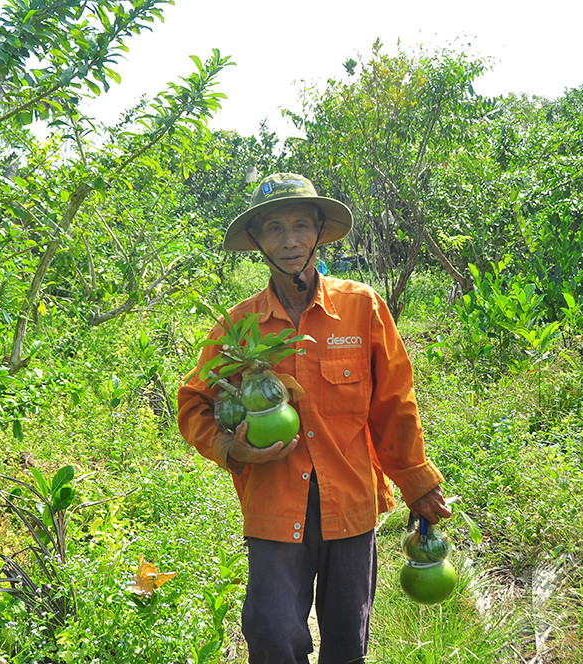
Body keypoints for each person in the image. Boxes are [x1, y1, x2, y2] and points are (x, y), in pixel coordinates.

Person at [177, 173, 451, 664]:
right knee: (271, 634)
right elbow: (195, 402)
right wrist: (230, 448)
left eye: (301, 225)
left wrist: (417, 482)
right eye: (275, 228)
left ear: (320, 232)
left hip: (349, 501)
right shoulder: (238, 326)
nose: (290, 241)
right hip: (274, 504)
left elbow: (394, 404)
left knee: (347, 641)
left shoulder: (361, 307)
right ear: (257, 240)